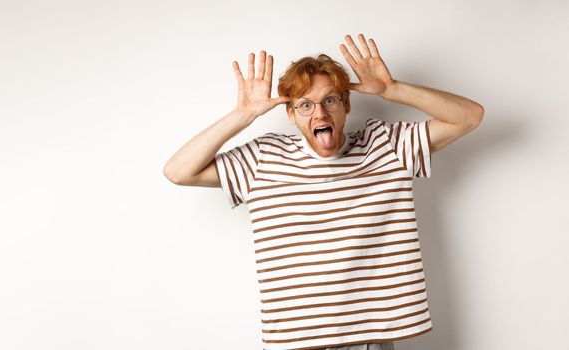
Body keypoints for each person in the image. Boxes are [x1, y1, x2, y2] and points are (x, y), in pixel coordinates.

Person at [162, 34, 484, 350]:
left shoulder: (385, 146)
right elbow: (178, 171)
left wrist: (393, 89)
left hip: (367, 339)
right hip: (297, 343)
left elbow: (470, 117)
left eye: (329, 100)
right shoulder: (263, 158)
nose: (319, 114)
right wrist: (243, 115)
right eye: (305, 105)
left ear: (345, 104)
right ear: (291, 114)